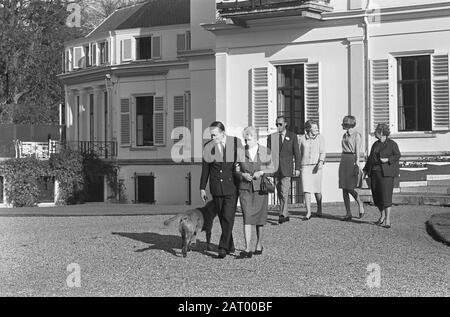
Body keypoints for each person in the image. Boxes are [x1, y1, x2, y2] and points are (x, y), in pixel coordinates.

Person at [200, 121, 243, 258]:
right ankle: (230, 245)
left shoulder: (235, 142)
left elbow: (242, 162)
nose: (212, 138)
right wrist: (202, 187)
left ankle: (223, 247)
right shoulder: (208, 146)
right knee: (222, 216)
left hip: (231, 186)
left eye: (215, 135)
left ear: (222, 133)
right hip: (216, 187)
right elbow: (205, 169)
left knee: (228, 215)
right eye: (211, 135)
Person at [235, 127, 275, 258]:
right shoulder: (240, 152)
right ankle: (247, 248)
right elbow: (235, 169)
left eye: (249, 139)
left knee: (260, 218)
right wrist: (243, 175)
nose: (246, 142)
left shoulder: (265, 151)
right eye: (245, 139)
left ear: (256, 138)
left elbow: (272, 168)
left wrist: (261, 172)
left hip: (260, 189)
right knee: (247, 217)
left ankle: (259, 244)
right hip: (245, 188)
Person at [363, 123, 401, 229]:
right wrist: (366, 170)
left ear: (381, 133)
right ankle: (382, 215)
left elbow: (397, 155)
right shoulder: (375, 144)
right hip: (375, 172)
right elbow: (370, 157)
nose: (375, 133)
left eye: (376, 131)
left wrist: (388, 160)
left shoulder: (392, 144)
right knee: (377, 196)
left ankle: (387, 219)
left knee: (386, 196)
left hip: (387, 174)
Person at [267, 116, 301, 224]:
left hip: (287, 167)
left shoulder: (292, 136)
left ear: (285, 124)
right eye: (277, 124)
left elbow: (297, 153)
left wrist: (297, 168)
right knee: (279, 192)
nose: (278, 126)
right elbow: (268, 154)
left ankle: (282, 214)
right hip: (276, 169)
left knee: (284, 191)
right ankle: (285, 214)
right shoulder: (272, 137)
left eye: (280, 124)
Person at [298, 120, 326, 220]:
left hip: (316, 166)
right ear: (308, 129)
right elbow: (299, 154)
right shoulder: (301, 139)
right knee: (306, 189)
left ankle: (319, 208)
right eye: (314, 127)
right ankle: (308, 212)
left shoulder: (321, 138)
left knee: (317, 190)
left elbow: (323, 152)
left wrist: (321, 162)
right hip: (305, 166)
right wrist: (297, 166)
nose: (317, 129)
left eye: (317, 127)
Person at [339, 115, 365, 221]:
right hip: (344, 159)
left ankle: (360, 203)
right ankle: (348, 213)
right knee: (344, 188)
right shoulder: (344, 135)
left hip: (351, 159)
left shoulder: (356, 135)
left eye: (344, 123)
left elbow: (357, 152)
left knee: (350, 187)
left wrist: (356, 164)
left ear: (348, 124)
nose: (342, 125)